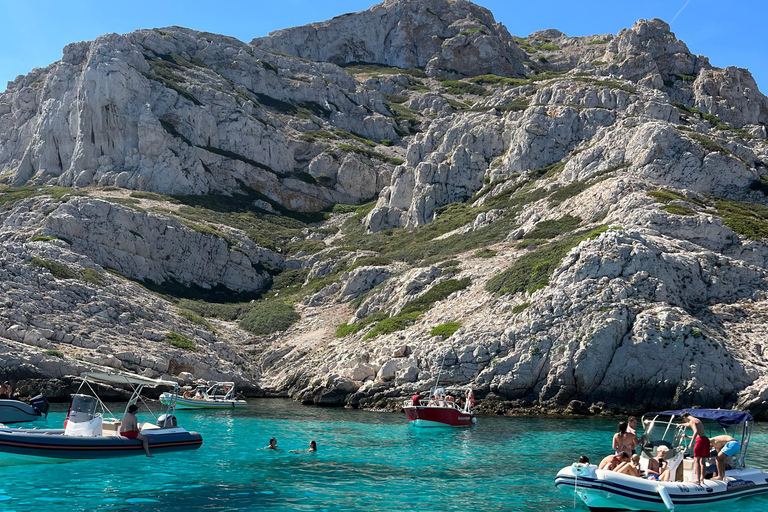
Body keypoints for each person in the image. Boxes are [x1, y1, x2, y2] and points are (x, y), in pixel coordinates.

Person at [679, 412, 708, 484]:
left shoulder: (692, 421)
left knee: (696, 460)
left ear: (684, 417)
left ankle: (697, 480)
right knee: (702, 461)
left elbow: (695, 432)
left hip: (700, 441)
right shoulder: (697, 420)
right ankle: (702, 479)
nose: (685, 422)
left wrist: (691, 443)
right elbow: (688, 425)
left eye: (684, 420)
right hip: (705, 439)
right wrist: (681, 424)